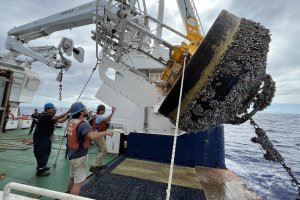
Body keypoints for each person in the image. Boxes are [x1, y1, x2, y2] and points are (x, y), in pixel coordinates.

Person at [66, 102, 113, 196]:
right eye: (85, 109)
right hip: (80, 156)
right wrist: (106, 132)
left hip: (72, 155)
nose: (87, 110)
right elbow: (92, 136)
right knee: (78, 183)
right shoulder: (84, 124)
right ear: (81, 112)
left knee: (72, 178)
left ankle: (67, 196)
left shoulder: (71, 121)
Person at [33, 103, 69, 176]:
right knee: (41, 153)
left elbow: (60, 121)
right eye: (52, 108)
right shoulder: (46, 115)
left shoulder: (49, 116)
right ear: (48, 109)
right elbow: (59, 117)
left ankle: (43, 166)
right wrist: (68, 112)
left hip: (46, 137)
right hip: (41, 138)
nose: (54, 109)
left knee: (46, 152)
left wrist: (67, 117)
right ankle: (40, 171)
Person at [90, 104, 116, 172]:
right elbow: (106, 119)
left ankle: (99, 165)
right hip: (98, 136)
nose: (104, 111)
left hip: (97, 135)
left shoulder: (97, 116)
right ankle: (95, 165)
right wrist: (112, 112)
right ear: (101, 110)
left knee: (101, 150)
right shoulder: (100, 117)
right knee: (104, 150)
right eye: (103, 109)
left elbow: (107, 121)